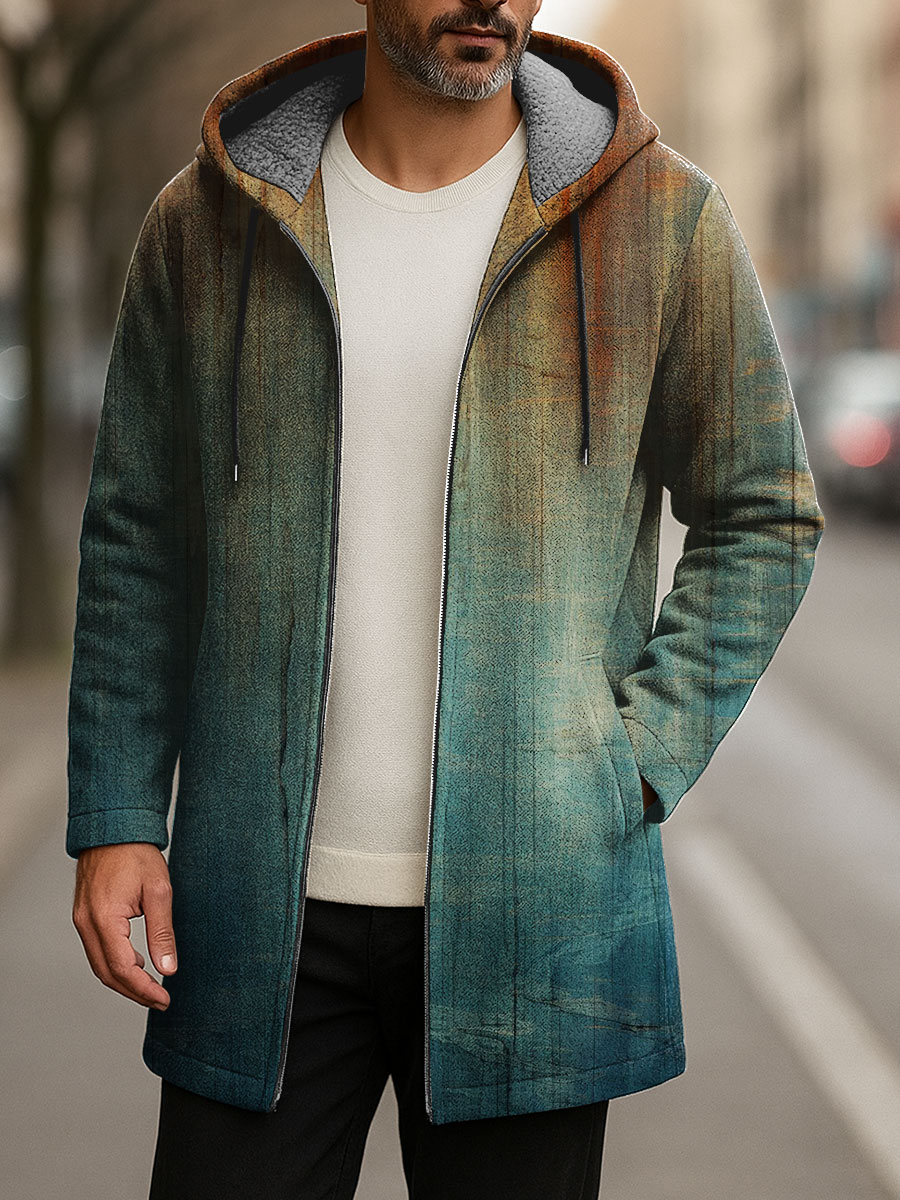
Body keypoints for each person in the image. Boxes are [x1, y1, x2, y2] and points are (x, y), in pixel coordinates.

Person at [66, 1, 825, 1197]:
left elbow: (764, 511)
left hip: (536, 915)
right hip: (257, 905)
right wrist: (115, 814)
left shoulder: (660, 218)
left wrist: (629, 760)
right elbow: (137, 537)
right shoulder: (210, 220)